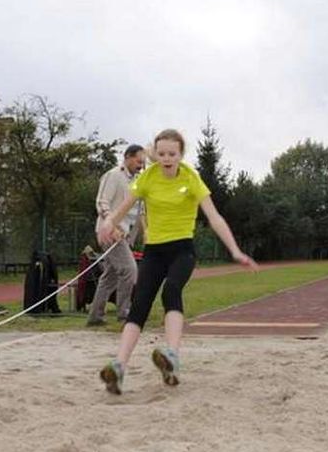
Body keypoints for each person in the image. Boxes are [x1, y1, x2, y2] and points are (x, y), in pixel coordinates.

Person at [96, 129, 258, 394]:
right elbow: (125, 206)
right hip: (154, 251)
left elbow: (214, 217)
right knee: (141, 302)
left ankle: (171, 355)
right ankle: (119, 367)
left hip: (182, 250)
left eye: (172, 154)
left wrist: (235, 251)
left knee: (171, 289)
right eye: (161, 154)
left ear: (181, 154)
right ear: (155, 154)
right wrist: (109, 222)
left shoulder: (191, 177)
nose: (166, 158)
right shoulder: (148, 177)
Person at [86, 144, 147, 326]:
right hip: (109, 233)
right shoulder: (113, 175)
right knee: (130, 269)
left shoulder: (138, 180)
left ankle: (95, 316)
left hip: (125, 235)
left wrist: (145, 232)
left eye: (143, 162)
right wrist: (111, 226)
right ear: (127, 157)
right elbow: (101, 202)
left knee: (109, 276)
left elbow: (140, 209)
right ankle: (124, 313)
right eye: (138, 161)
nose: (141, 165)